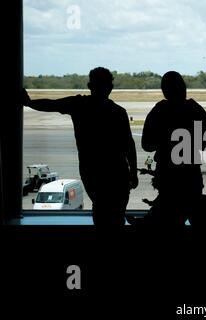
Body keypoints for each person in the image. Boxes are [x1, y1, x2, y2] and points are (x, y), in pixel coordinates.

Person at [22, 67, 138, 227]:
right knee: (116, 214)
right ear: (110, 87)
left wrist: (28, 102)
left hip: (92, 171)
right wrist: (133, 171)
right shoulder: (118, 112)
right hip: (117, 173)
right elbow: (129, 145)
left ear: (90, 86)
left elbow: (51, 104)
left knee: (101, 211)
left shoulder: (79, 104)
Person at [141, 71, 206, 226]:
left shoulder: (159, 111)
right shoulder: (196, 110)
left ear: (164, 91)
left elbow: (146, 145)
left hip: (167, 177)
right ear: (183, 88)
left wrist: (165, 141)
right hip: (190, 176)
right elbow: (205, 144)